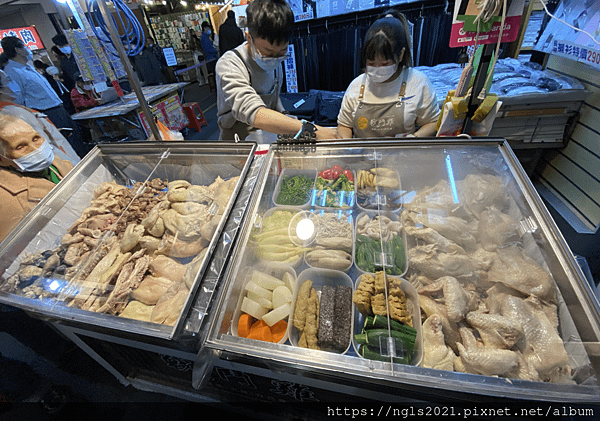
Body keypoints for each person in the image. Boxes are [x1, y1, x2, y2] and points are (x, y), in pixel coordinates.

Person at [215, 0, 338, 141]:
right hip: (239, 143)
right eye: (267, 52)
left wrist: (285, 115)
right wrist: (309, 129)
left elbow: (273, 99)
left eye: (282, 52)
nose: (274, 58)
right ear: (249, 38)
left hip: (267, 137)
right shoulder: (230, 64)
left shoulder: (274, 60)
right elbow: (252, 111)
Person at [337, 10, 440, 139]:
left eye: (385, 64)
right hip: (363, 156)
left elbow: (433, 122)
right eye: (371, 63)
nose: (377, 68)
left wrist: (414, 137)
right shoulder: (356, 86)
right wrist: (347, 146)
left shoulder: (418, 82)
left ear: (401, 54)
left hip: (403, 155)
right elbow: (344, 125)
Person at [1, 36, 91, 158]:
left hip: (58, 109)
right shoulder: (13, 72)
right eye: (25, 46)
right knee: (69, 147)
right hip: (48, 113)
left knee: (78, 141)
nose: (28, 49)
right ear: (18, 50)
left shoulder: (27, 67)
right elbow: (18, 100)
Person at [0, 113, 74, 243]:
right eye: (20, 147)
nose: (36, 150)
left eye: (35, 138)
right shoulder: (6, 202)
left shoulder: (53, 163)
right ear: (2, 160)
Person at [0, 69, 80, 166]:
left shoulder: (11, 109)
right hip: (62, 164)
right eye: (8, 80)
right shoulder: (12, 113)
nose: (13, 83)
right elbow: (45, 147)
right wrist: (69, 166)